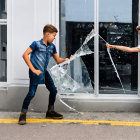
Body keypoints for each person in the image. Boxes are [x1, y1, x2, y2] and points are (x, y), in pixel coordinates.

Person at [18, 24, 72, 125]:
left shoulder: (52, 47)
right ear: (47, 34)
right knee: (32, 93)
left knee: (53, 90)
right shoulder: (36, 44)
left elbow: (58, 60)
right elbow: (25, 55)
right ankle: (23, 114)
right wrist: (33, 70)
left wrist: (66, 59)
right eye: (54, 36)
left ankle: (50, 111)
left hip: (44, 71)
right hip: (35, 72)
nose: (54, 38)